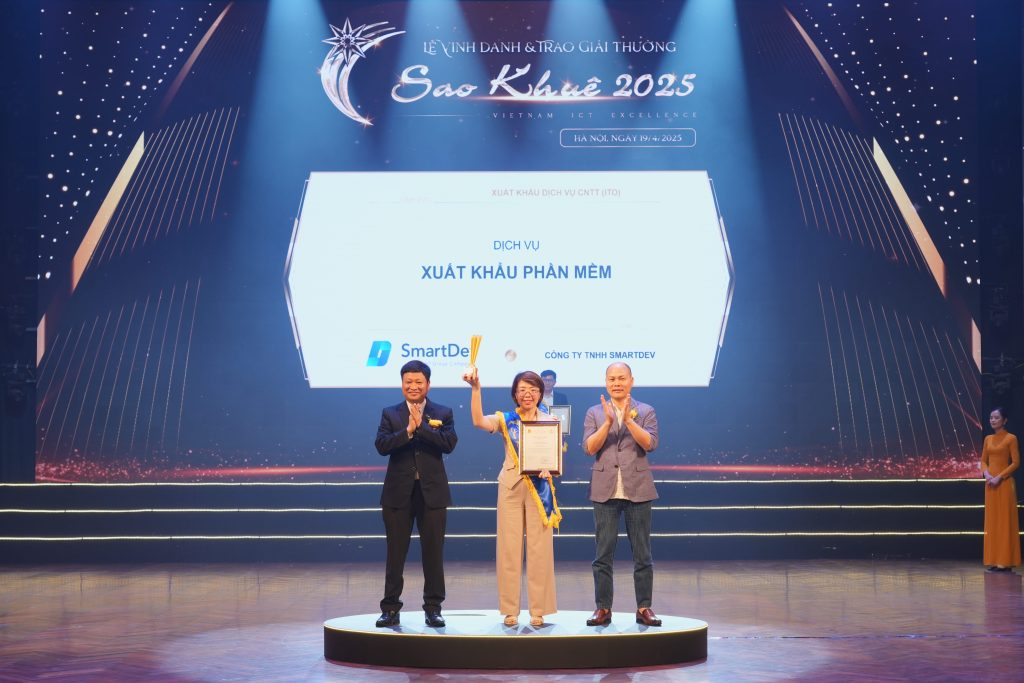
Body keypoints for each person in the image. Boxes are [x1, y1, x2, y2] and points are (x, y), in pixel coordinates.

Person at [464, 367, 561, 627]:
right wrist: (476, 389)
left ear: (541, 393)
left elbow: (555, 458)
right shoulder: (505, 419)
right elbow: (478, 421)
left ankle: (539, 609)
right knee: (508, 550)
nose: (528, 394)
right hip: (510, 488)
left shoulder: (550, 421)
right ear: (515, 394)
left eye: (533, 389)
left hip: (539, 489)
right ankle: (510, 610)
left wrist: (550, 468)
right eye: (522, 390)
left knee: (540, 550)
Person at [374, 360, 458, 627]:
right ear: (402, 384)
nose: (413, 386)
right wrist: (408, 431)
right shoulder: (390, 413)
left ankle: (433, 608)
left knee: (433, 553)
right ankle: (390, 608)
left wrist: (422, 427)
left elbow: (448, 444)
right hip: (398, 494)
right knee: (395, 553)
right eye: (408, 382)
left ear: (428, 384)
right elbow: (382, 445)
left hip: (432, 494)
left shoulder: (442, 412)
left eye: (418, 382)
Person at [582, 362, 662, 627]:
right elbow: (589, 447)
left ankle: (644, 607)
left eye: (621, 378)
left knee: (642, 554)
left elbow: (650, 443)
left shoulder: (646, 410)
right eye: (612, 379)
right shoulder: (594, 412)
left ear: (631, 381)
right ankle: (603, 608)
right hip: (604, 489)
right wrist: (607, 422)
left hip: (638, 488)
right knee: (603, 554)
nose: (616, 383)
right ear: (606, 382)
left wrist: (628, 420)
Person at [981, 406, 1020, 572]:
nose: (993, 420)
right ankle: (994, 560)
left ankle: (1005, 562)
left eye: (996, 417)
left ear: (1004, 420)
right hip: (990, 484)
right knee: (993, 522)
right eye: (991, 417)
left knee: (1004, 522)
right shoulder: (988, 439)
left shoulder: (1011, 438)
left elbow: (1016, 462)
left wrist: (999, 477)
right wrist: (987, 474)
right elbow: (983, 461)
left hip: (1004, 484)